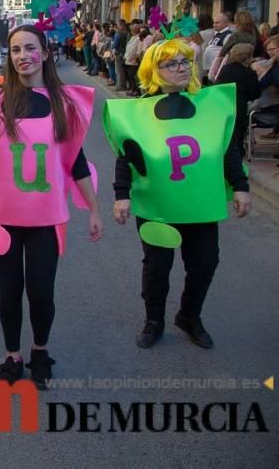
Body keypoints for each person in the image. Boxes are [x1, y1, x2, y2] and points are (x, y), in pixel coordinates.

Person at [0, 25, 103, 390]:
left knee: (41, 290)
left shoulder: (63, 102)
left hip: (45, 216)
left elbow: (76, 160)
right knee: (9, 290)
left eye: (31, 49)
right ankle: (12, 355)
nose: (23, 56)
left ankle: (39, 351)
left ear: (46, 53)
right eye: (16, 50)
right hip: (3, 217)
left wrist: (95, 209)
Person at [106, 36, 251, 350]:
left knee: (205, 263)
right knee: (157, 268)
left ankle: (189, 315)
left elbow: (228, 149)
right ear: (154, 70)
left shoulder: (211, 106)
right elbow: (127, 156)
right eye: (171, 63)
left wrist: (240, 186)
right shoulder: (137, 112)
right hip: (156, 206)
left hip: (199, 205)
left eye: (185, 61)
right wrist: (122, 194)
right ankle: (153, 320)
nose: (181, 68)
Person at [253, 35, 279, 171]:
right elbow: (263, 83)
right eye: (268, 50)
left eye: (274, 49)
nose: (270, 52)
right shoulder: (274, 64)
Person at [214, 43, 261, 155]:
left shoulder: (225, 69)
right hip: (239, 108)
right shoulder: (249, 73)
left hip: (222, 106)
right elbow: (255, 94)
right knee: (238, 135)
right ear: (248, 57)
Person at [202, 12, 233, 84]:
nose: (214, 25)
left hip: (217, 70)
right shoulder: (217, 34)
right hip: (210, 68)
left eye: (217, 23)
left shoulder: (228, 35)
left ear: (225, 23)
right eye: (214, 23)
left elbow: (226, 52)